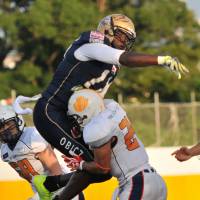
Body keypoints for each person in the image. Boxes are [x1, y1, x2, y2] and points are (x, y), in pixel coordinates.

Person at [32, 14, 188, 199]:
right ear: (107, 29)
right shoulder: (90, 46)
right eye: (121, 35)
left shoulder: (111, 68)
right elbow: (124, 58)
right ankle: (54, 192)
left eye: (128, 39)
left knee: (104, 168)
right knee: (99, 166)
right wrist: (161, 60)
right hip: (50, 112)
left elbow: (96, 99)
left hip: (70, 116)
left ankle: (51, 185)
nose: (124, 42)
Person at [61, 89, 167, 200]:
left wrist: (81, 164)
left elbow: (102, 168)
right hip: (153, 179)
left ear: (85, 115)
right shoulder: (111, 107)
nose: (76, 122)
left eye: (77, 118)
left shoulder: (96, 130)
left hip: (137, 183)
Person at [0, 104, 84, 200]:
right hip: (42, 192)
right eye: (1, 127)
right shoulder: (4, 151)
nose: (5, 130)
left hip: (63, 190)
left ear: (18, 121)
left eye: (8, 124)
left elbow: (56, 171)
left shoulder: (32, 138)